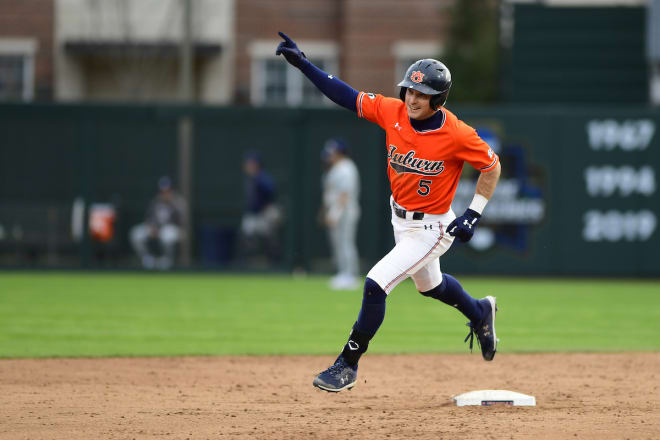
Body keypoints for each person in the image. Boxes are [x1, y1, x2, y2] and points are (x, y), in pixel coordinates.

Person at [276, 32, 502, 392]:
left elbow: (491, 166)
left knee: (375, 284)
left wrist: (473, 213)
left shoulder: (457, 133)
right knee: (431, 286)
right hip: (400, 218)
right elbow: (345, 95)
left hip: (432, 228)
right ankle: (480, 312)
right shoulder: (392, 111)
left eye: (422, 93)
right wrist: (304, 65)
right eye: (410, 90)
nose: (413, 98)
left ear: (438, 98)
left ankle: (346, 365)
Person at [320, 138, 361, 290]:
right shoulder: (334, 168)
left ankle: (351, 275)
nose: (329, 156)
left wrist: (334, 214)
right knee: (337, 243)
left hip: (345, 212)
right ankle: (343, 272)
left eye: (332, 153)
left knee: (346, 243)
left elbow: (345, 194)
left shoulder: (346, 168)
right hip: (335, 210)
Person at [130, 176, 186, 270]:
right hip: (155, 229)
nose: (165, 193)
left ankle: (167, 261)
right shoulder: (155, 202)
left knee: (167, 234)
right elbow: (148, 218)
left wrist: (160, 228)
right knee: (136, 234)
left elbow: (180, 222)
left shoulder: (178, 203)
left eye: (167, 191)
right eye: (162, 191)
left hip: (172, 230)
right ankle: (147, 259)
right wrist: (152, 227)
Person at [240, 152, 282, 261]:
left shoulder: (263, 178)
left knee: (269, 239)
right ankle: (252, 261)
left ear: (256, 164)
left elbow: (272, 193)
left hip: (264, 213)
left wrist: (266, 206)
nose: (247, 166)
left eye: (250, 163)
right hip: (253, 214)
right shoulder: (251, 178)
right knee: (247, 236)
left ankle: (273, 262)